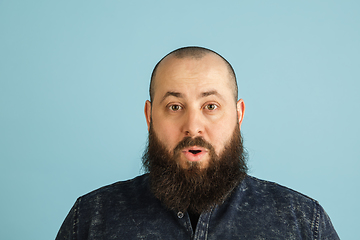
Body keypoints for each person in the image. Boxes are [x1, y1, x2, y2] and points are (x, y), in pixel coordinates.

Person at [56, 46, 339, 239]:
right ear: (149, 116)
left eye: (211, 106)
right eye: (175, 107)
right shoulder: (92, 219)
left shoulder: (302, 222)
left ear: (238, 114)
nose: (193, 127)